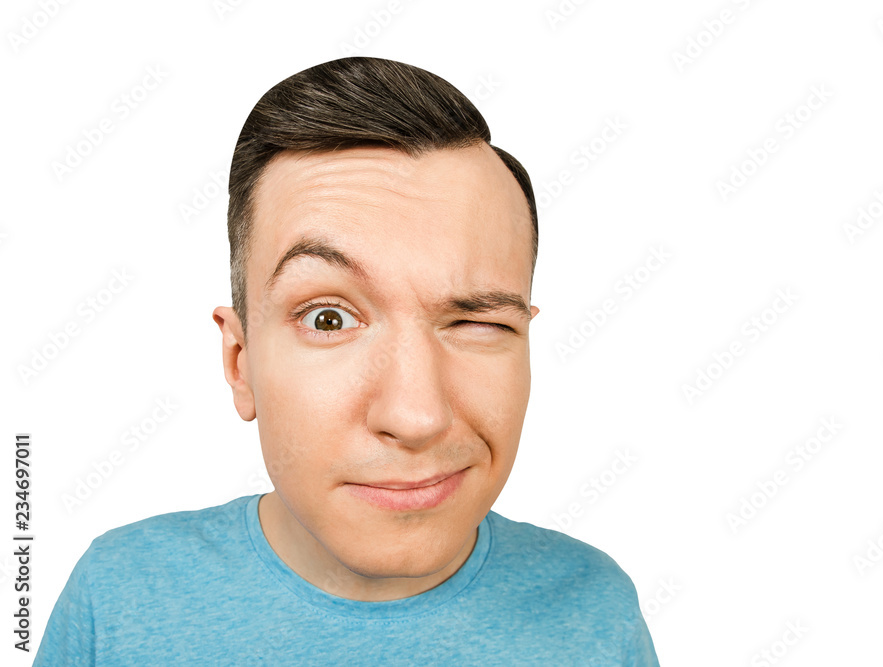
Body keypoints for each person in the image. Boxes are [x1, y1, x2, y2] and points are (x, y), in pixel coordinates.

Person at [34, 56, 659, 665]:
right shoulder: (117, 598)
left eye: (477, 322)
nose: (416, 417)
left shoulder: (597, 613)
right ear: (240, 361)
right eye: (327, 319)